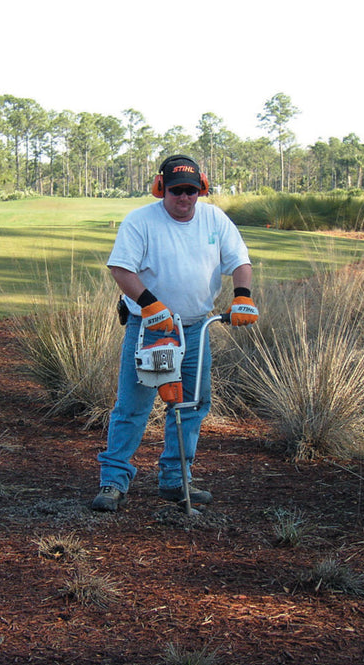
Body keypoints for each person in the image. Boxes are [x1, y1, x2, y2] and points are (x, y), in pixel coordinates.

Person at [92, 155, 259, 512]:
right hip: (151, 327)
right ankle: (113, 481)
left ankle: (175, 480)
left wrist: (242, 296)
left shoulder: (214, 219)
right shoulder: (141, 221)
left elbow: (240, 261)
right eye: (176, 191)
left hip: (197, 327)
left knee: (191, 405)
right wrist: (150, 305)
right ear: (160, 188)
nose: (184, 198)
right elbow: (121, 268)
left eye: (191, 190)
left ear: (202, 188)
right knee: (133, 405)